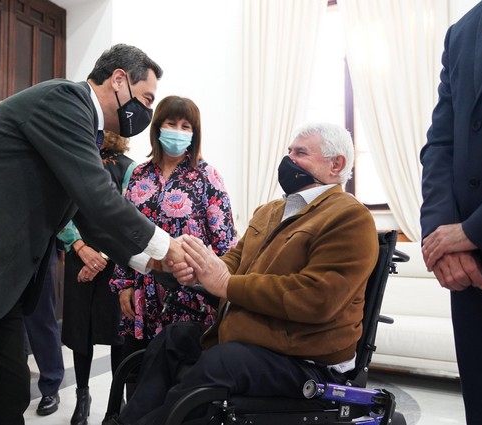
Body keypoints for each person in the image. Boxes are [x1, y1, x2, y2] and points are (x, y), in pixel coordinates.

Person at [0, 44, 187, 425]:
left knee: (10, 394)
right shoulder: (65, 100)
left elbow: (88, 216)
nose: (145, 111)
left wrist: (154, 263)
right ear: (118, 80)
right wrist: (167, 246)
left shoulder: (83, 125)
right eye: (145, 99)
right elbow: (98, 198)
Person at [107, 122, 379, 425]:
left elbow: (317, 297)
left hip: (306, 358)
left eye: (300, 153)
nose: (288, 160)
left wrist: (226, 284)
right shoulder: (270, 211)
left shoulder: (349, 216)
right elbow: (233, 262)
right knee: (173, 339)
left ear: (336, 164)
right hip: (249, 339)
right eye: (289, 151)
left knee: (223, 362)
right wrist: (198, 270)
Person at [420, 1, 482, 423]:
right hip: (471, 278)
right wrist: (443, 238)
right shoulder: (462, 30)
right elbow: (440, 144)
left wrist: (476, 231)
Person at [109, 95, 237, 372]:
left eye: (185, 126)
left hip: (190, 294)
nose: (178, 132)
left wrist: (219, 289)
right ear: (158, 127)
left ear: (194, 133)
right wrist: (124, 284)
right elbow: (123, 233)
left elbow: (226, 242)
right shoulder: (139, 174)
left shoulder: (207, 177)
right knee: (138, 373)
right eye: (171, 124)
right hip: (142, 290)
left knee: (179, 376)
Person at [0, 99, 66, 418]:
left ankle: (51, 385)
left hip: (36, 251)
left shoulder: (37, 156)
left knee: (41, 319)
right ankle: (5, 386)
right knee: (5, 325)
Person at [57, 130, 135, 425]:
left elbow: (127, 214)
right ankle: (82, 396)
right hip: (78, 257)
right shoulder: (73, 160)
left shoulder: (128, 168)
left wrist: (101, 255)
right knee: (81, 332)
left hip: (114, 260)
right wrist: (79, 246)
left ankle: (116, 403)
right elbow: (60, 209)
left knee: (117, 334)